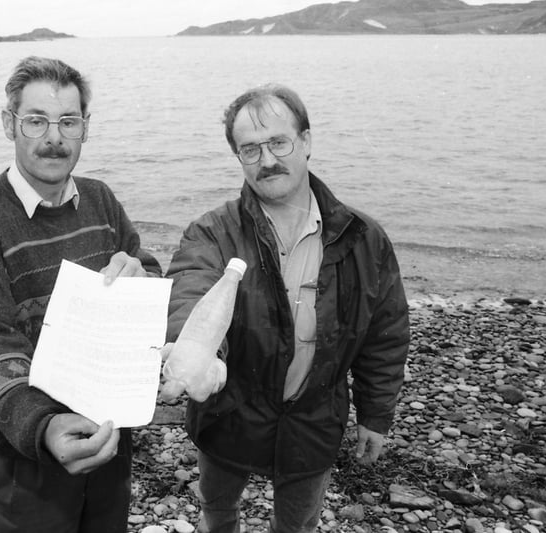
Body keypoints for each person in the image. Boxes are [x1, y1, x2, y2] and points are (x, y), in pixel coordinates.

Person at [163, 84, 410, 533]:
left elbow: (385, 331)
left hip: (314, 422)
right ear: (238, 157)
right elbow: (189, 290)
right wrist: (194, 350)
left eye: (279, 142)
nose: (267, 159)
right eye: (250, 149)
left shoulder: (363, 238)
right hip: (227, 415)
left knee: (297, 526)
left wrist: (376, 415)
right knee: (217, 510)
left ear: (307, 141)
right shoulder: (212, 232)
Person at [0, 56, 161, 533]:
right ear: (10, 124)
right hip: (29, 455)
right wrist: (43, 427)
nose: (54, 137)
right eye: (36, 120)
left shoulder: (101, 199)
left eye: (68, 121)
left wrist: (141, 275)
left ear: (86, 127)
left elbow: (141, 265)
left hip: (110, 439)